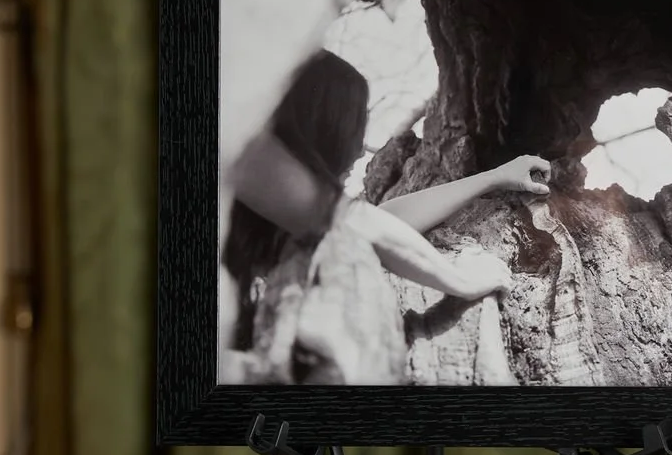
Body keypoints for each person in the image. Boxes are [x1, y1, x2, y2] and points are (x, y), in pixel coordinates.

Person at [222, 49, 552, 351]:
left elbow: (383, 224)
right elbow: (363, 227)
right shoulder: (236, 155)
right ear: (319, 128)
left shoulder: (270, 221)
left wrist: (494, 177)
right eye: (352, 128)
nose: (356, 149)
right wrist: (463, 280)